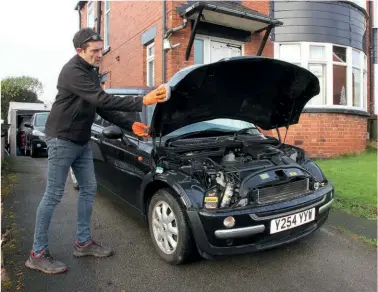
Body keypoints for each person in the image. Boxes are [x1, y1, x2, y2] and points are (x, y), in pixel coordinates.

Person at [24, 28, 169, 275]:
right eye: (95, 50)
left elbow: (101, 108)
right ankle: (37, 254)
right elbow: (102, 99)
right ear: (79, 50)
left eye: (101, 49)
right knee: (53, 195)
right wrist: (143, 100)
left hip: (81, 140)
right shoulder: (72, 71)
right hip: (61, 139)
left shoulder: (91, 72)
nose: (100, 54)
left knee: (89, 188)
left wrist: (130, 124)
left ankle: (83, 243)